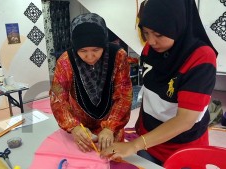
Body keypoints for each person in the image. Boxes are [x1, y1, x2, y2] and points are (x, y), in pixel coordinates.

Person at [101, 0, 218, 165]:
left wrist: (135, 144)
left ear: (178, 25)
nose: (151, 41)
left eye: (159, 34)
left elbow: (185, 120)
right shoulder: (152, 49)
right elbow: (150, 91)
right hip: (149, 141)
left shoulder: (201, 58)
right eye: (146, 33)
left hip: (182, 149)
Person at [49, 13, 133, 153]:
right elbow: (58, 99)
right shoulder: (65, 61)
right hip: (80, 127)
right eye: (82, 51)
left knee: (111, 161)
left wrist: (110, 127)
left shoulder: (118, 56)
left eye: (96, 50)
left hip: (111, 123)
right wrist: (74, 127)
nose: (90, 57)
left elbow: (124, 95)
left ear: (104, 45)